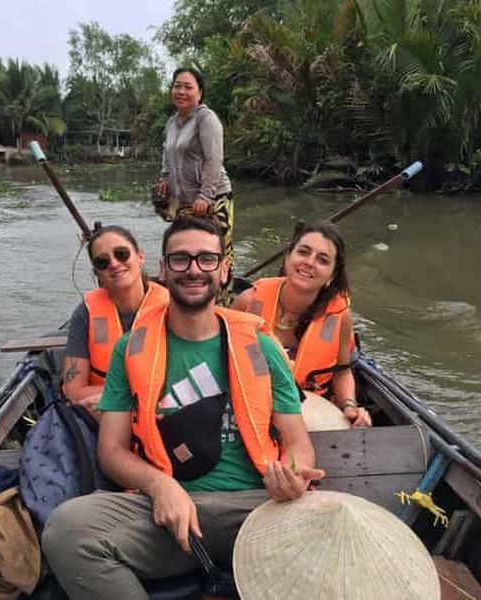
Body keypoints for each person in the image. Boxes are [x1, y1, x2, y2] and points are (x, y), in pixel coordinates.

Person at [42, 217, 324, 600]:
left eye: (207, 259)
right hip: (167, 514)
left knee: (338, 528)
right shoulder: (131, 349)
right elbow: (111, 452)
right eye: (180, 259)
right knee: (66, 530)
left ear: (224, 271)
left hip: (259, 507)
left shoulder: (262, 345)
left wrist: (290, 475)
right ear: (162, 269)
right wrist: (160, 486)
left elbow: (297, 443)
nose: (194, 269)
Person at [232, 222, 372, 428]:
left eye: (322, 260)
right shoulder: (248, 302)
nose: (309, 262)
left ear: (332, 275)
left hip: (312, 410)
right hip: (252, 406)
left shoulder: (339, 316)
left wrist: (349, 406)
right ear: (288, 257)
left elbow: (342, 371)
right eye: (303, 252)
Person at [62, 225, 168, 419]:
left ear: (140, 256)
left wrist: (119, 399)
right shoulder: (85, 313)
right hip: (102, 418)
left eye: (122, 254)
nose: (114, 263)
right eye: (103, 261)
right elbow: (73, 391)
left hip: (159, 414)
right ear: (97, 273)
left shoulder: (171, 308)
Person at [155, 67, 234, 299]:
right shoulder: (171, 122)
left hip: (214, 198)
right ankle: (187, 304)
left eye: (188, 87)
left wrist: (206, 197)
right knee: (185, 254)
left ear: (200, 93)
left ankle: (222, 307)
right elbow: (167, 157)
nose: (181, 91)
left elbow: (214, 160)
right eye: (177, 85)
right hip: (184, 202)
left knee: (216, 255)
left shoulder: (206, 119)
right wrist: (165, 179)